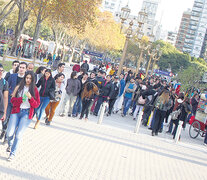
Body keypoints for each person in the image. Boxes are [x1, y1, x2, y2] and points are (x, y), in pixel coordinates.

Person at [6, 71, 40, 161]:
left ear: (33, 80)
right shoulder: (18, 87)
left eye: (30, 78)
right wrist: (21, 99)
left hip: (26, 113)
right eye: (27, 78)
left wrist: (30, 98)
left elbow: (36, 104)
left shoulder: (35, 90)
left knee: (18, 135)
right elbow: (12, 100)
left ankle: (12, 153)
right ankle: (10, 144)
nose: (28, 80)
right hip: (16, 112)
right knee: (9, 133)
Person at [0, 62, 27, 142]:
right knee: (5, 118)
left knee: (13, 121)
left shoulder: (26, 79)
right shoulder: (12, 76)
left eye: (23, 68)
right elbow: (7, 86)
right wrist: (11, 93)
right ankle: (4, 130)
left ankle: (7, 138)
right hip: (9, 101)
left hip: (19, 104)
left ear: (25, 69)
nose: (21, 69)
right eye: (20, 67)